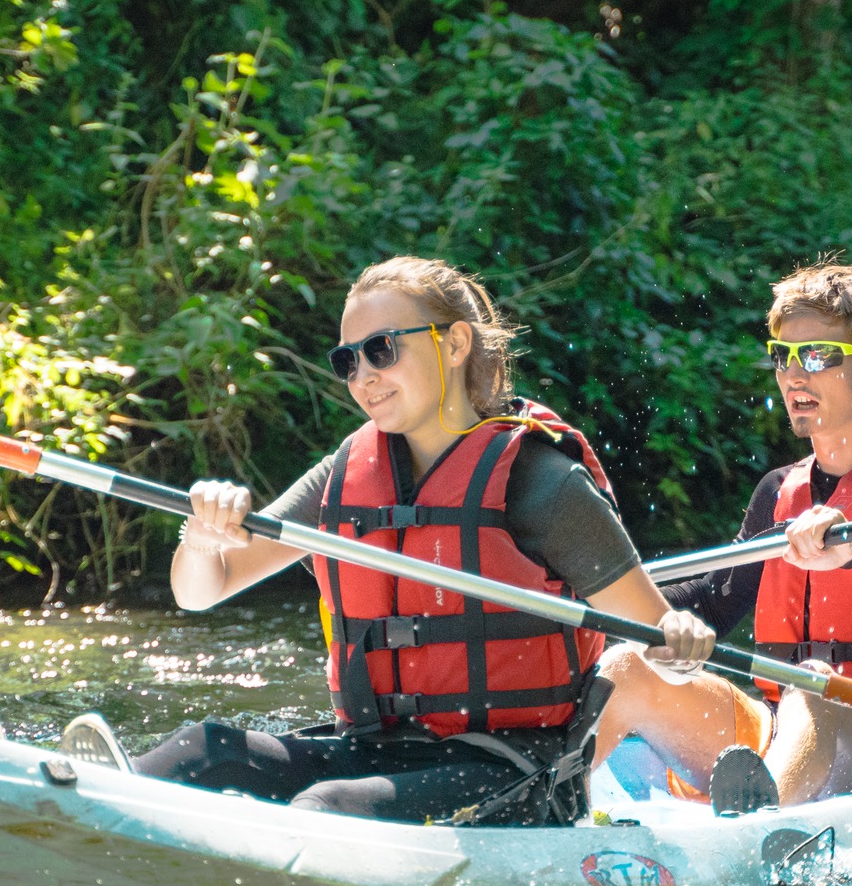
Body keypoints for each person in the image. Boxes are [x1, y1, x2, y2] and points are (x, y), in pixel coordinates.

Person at [62, 256, 713, 825]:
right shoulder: (346, 473)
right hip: (374, 749)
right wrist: (202, 539)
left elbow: (655, 636)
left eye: (383, 350)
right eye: (348, 360)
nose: (363, 375)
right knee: (207, 749)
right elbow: (205, 591)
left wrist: (679, 641)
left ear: (455, 344)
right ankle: (81, 815)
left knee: (325, 809)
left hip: (513, 773)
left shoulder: (541, 482)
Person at [592, 262, 852, 812]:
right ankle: (533, 811)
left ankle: (750, 830)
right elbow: (714, 603)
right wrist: (594, 607)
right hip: (785, 727)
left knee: (813, 683)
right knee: (626, 666)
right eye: (782, 356)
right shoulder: (778, 491)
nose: (794, 376)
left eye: (816, 356)